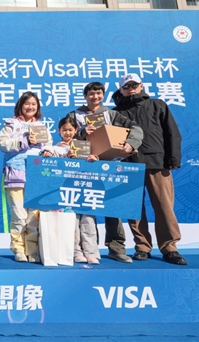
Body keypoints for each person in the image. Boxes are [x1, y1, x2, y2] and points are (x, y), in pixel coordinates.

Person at [113, 73, 187, 265]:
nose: (131, 89)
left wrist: (173, 158)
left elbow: (172, 133)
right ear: (121, 89)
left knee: (164, 207)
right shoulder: (115, 112)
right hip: (128, 166)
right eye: (126, 86)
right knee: (134, 210)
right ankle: (142, 246)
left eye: (134, 85)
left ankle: (169, 247)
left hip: (157, 163)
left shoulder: (157, 105)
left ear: (141, 85)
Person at [66, 81, 143, 263]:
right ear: (85, 96)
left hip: (108, 165)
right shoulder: (74, 115)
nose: (95, 97)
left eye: (99, 93)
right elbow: (65, 135)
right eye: (92, 94)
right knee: (81, 211)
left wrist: (131, 143)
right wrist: (82, 133)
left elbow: (136, 128)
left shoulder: (111, 114)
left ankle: (116, 248)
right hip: (83, 167)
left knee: (112, 207)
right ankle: (81, 250)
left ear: (103, 95)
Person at [0, 92, 52, 263]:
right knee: (19, 215)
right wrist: (23, 142)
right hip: (15, 173)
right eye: (27, 103)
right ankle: (19, 249)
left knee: (33, 216)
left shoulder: (41, 126)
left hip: (36, 175)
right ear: (20, 106)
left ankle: (32, 250)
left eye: (34, 104)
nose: (30, 107)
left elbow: (49, 145)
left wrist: (48, 151)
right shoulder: (11, 124)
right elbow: (1, 144)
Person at [42, 116, 101, 264]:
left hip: (86, 189)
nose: (67, 133)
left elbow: (96, 164)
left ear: (76, 130)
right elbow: (48, 160)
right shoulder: (56, 148)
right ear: (59, 131)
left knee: (88, 221)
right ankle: (76, 252)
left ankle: (91, 252)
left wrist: (94, 159)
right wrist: (62, 157)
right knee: (71, 222)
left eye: (70, 130)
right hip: (67, 191)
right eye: (64, 130)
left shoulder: (86, 146)